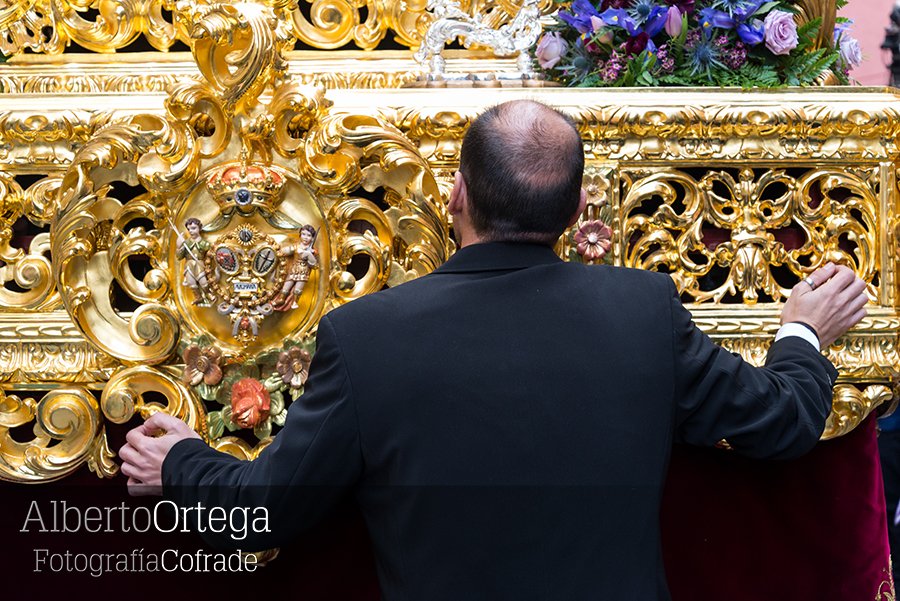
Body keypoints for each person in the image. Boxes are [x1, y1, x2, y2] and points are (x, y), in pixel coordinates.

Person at [120, 100, 867, 601]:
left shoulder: (368, 333)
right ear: (577, 211)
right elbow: (784, 421)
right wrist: (803, 329)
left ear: (453, 194)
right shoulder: (643, 310)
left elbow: (269, 510)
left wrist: (178, 460)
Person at [176, 217, 213, 306]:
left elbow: (211, 255)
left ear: (199, 228)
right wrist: (179, 246)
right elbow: (179, 257)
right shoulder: (186, 243)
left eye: (193, 228)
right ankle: (198, 297)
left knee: (203, 282)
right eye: (189, 229)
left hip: (199, 265)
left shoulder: (205, 243)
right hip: (189, 266)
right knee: (191, 282)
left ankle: (208, 294)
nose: (191, 231)